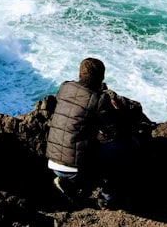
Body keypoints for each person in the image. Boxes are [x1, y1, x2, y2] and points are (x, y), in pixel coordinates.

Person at [46, 57, 143, 208]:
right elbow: (117, 132)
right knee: (129, 147)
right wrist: (116, 112)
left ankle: (67, 182)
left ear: (79, 75)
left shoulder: (64, 88)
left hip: (53, 162)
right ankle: (107, 197)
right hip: (76, 168)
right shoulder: (98, 100)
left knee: (85, 147)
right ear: (102, 79)